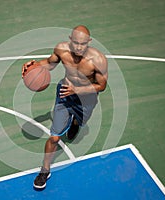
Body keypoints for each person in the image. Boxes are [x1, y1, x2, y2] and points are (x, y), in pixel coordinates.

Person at [22, 25, 108, 189]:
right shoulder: (62, 50)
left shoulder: (98, 59)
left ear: (89, 42)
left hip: (86, 100)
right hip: (64, 95)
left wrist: (78, 90)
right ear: (70, 40)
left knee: (80, 122)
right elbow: (49, 63)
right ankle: (44, 170)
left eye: (82, 44)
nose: (78, 47)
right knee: (54, 137)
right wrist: (33, 66)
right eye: (75, 42)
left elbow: (101, 85)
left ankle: (75, 122)